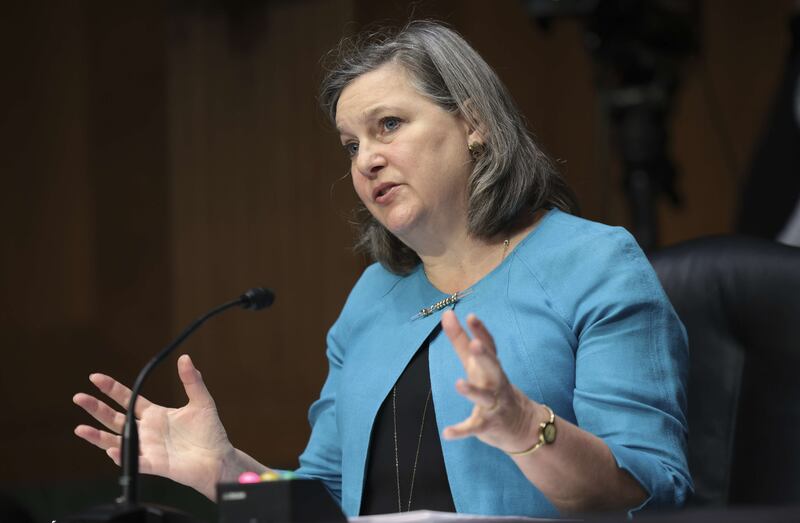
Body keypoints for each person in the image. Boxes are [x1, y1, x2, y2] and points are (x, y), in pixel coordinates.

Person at [73, 21, 691, 518]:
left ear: (473, 124)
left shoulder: (595, 262)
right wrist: (226, 472)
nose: (366, 160)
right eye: (351, 145)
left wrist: (527, 427)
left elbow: (648, 486)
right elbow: (325, 501)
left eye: (388, 125)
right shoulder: (373, 295)